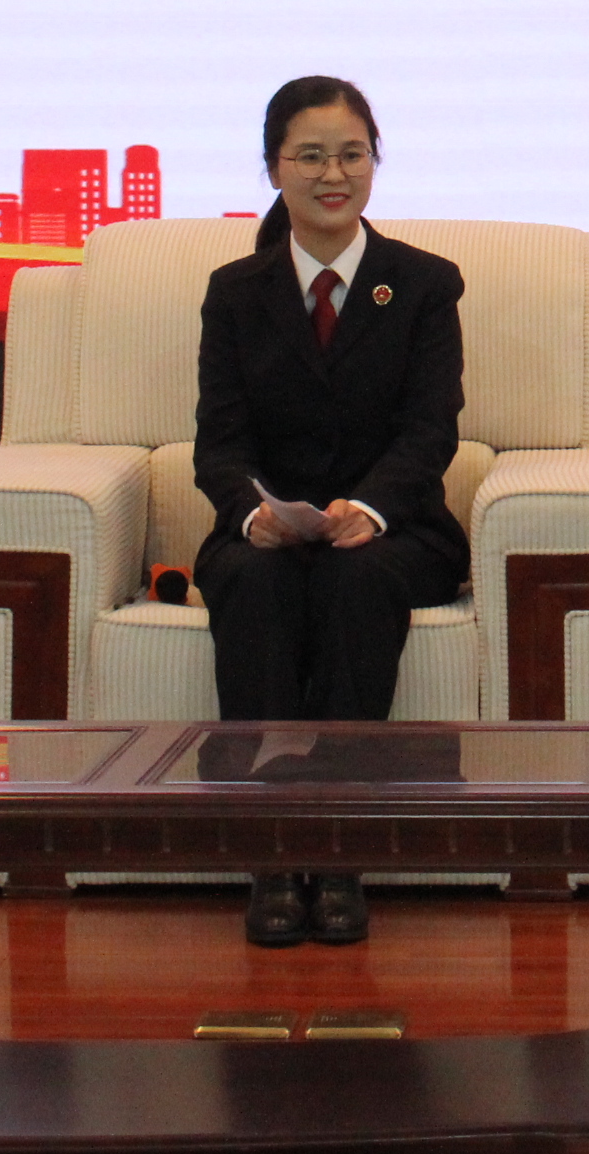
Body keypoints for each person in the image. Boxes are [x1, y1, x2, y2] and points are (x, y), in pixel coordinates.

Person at [190, 76, 469, 947]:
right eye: (310, 156)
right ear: (275, 167)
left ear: (374, 162)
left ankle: (341, 850)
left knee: (357, 581)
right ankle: (272, 855)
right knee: (255, 582)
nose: (332, 174)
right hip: (268, 531)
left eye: (351, 154)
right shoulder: (236, 292)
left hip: (395, 532)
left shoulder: (422, 285)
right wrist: (253, 514)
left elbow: (431, 430)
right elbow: (218, 445)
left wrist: (372, 507)